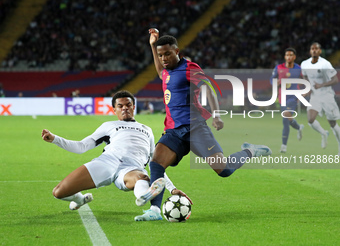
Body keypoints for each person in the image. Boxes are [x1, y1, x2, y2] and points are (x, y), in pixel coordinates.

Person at [133, 29, 272, 221]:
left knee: (223, 170)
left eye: (167, 54)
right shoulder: (166, 72)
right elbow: (159, 71)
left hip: (195, 127)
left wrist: (216, 115)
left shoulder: (189, 68)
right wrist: (151, 45)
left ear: (177, 52)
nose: (163, 58)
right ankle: (155, 211)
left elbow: (209, 88)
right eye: (160, 55)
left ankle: (249, 151)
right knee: (157, 162)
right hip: (173, 131)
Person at [42, 90, 191, 219]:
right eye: (120, 106)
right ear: (114, 110)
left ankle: (143, 195)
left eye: (128, 105)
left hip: (131, 169)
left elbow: (157, 163)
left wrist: (172, 188)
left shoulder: (147, 129)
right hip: (106, 163)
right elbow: (81, 146)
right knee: (58, 192)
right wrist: (55, 139)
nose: (125, 108)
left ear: (133, 107)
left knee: (142, 177)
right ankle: (80, 199)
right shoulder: (109, 126)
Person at [301, 42, 340, 155]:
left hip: (327, 96)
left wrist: (321, 85)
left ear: (320, 51)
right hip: (315, 96)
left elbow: (335, 80)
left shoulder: (325, 64)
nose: (314, 50)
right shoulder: (305, 63)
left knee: (332, 123)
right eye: (312, 48)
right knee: (310, 120)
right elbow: (305, 76)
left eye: (316, 49)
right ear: (310, 51)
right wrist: (308, 88)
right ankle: (323, 133)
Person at [270, 48, 304, 153]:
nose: (289, 57)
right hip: (282, 97)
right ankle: (298, 127)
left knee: (286, 117)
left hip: (293, 96)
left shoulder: (298, 68)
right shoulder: (278, 67)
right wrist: (275, 83)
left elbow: (304, 80)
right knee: (286, 121)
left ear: (294, 57)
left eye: (291, 55)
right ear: (285, 57)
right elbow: (272, 79)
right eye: (287, 55)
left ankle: (283, 146)